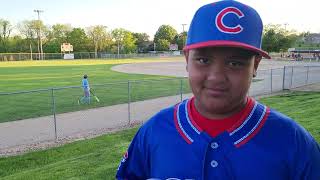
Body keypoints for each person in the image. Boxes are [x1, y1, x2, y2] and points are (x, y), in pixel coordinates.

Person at [116, 0, 320, 179]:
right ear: (188, 60)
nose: (216, 77)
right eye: (203, 60)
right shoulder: (154, 131)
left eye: (235, 63)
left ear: (255, 66)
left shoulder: (293, 141)